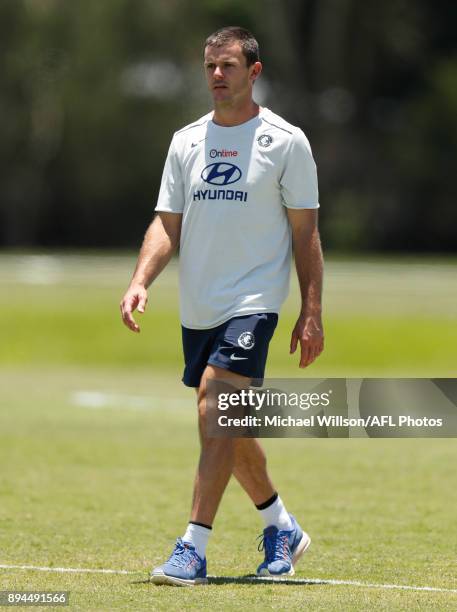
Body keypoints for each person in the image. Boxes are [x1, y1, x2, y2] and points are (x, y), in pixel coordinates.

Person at [120, 26, 324, 586]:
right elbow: (168, 221)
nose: (216, 75)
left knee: (216, 402)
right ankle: (281, 526)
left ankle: (193, 548)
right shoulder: (186, 141)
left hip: (254, 302)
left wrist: (311, 310)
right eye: (210, 65)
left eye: (228, 66)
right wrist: (141, 280)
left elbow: (305, 232)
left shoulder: (286, 141)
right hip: (200, 306)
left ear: (253, 72)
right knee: (223, 425)